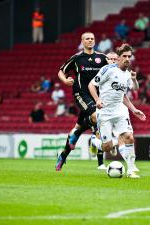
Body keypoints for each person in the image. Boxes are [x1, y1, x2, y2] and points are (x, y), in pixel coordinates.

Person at [88, 44, 146, 178]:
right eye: (124, 56)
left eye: (129, 57)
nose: (127, 59)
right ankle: (94, 141)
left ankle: (131, 169)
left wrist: (134, 109)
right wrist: (97, 100)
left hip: (120, 110)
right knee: (107, 147)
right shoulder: (107, 70)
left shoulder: (127, 74)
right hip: (105, 111)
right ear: (118, 58)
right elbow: (91, 84)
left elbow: (127, 94)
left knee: (129, 137)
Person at [55, 32, 109, 171]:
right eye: (87, 39)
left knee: (78, 129)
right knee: (96, 117)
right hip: (81, 94)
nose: (90, 40)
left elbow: (113, 70)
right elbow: (61, 71)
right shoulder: (77, 58)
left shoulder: (102, 57)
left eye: (92, 38)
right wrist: (65, 80)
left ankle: (62, 156)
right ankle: (95, 145)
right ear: (82, 41)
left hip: (97, 96)